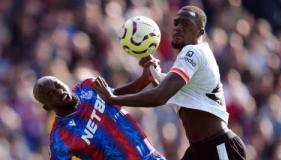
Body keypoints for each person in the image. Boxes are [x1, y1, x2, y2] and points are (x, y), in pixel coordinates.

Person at [93, 5, 246, 160]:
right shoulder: (189, 63)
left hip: (218, 147)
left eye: (186, 24)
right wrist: (115, 92)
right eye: (176, 23)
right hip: (200, 150)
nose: (178, 28)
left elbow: (160, 96)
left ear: (200, 31)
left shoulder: (194, 52)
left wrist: (113, 99)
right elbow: (158, 89)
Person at [33, 75, 166, 160]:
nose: (60, 92)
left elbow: (116, 95)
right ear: (47, 107)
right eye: (51, 95)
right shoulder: (59, 138)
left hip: (151, 155)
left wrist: (144, 79)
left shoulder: (87, 85)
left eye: (57, 85)